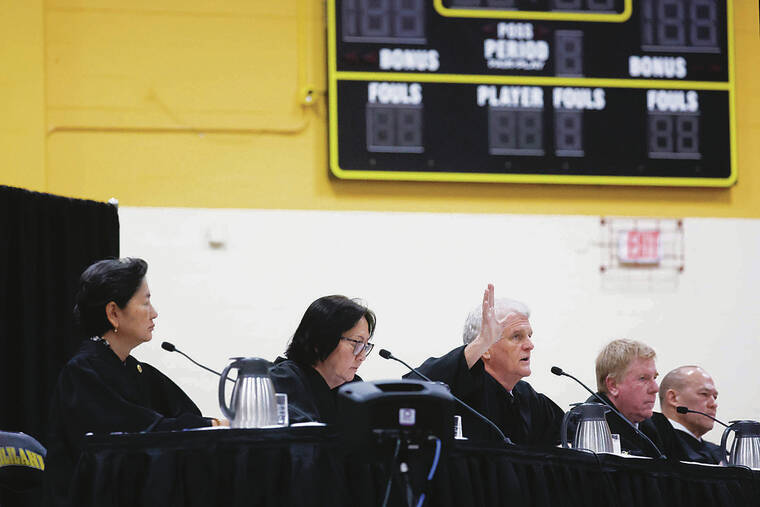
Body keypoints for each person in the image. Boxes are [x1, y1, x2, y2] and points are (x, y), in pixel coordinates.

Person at [45, 258, 223, 506]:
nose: (154, 313)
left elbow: (185, 414)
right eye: (146, 302)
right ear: (114, 313)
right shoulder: (83, 373)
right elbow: (138, 433)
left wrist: (211, 425)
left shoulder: (136, 370)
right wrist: (211, 425)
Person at [405, 284, 563, 445]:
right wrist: (481, 342)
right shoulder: (459, 389)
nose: (530, 345)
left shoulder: (528, 397)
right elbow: (412, 388)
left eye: (529, 335)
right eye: (517, 336)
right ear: (486, 350)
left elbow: (571, 430)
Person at [269, 295, 376, 424]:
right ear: (321, 340)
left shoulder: (352, 390)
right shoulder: (282, 381)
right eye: (357, 343)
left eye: (365, 346)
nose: (362, 357)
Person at [588, 338, 666, 457]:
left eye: (654, 378)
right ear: (613, 385)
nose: (655, 389)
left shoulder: (657, 427)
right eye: (643, 378)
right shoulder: (588, 426)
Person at [653, 365, 724, 464]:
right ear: (673, 398)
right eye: (704, 394)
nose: (714, 404)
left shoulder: (718, 454)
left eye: (715, 397)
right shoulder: (654, 445)